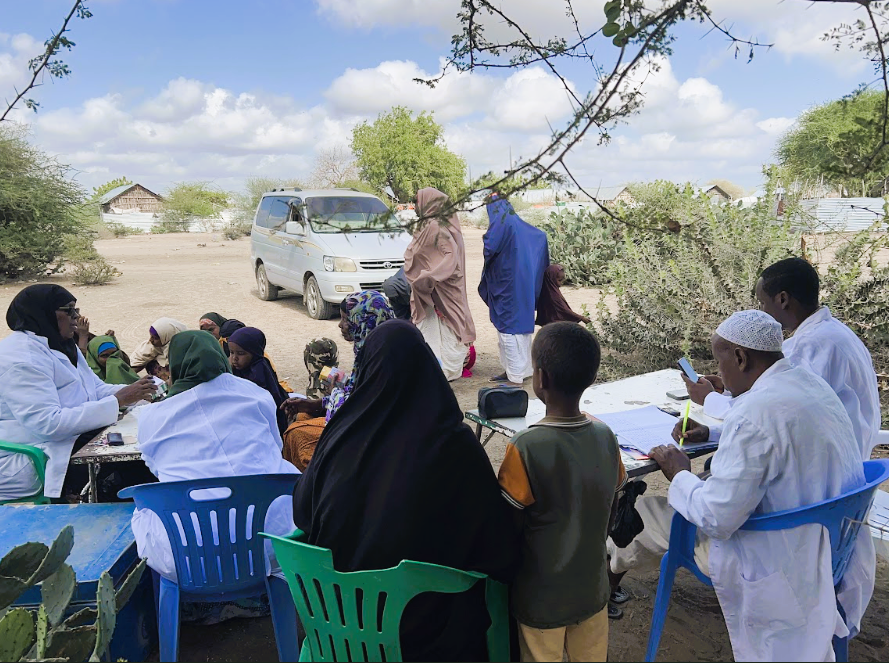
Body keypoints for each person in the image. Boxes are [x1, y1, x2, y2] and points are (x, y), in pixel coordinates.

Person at [609, 310, 875, 662]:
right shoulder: (810, 384)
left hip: (773, 553)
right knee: (702, 481)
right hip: (830, 542)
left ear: (740, 357)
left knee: (638, 513)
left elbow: (717, 517)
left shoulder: (755, 413)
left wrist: (679, 473)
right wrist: (715, 432)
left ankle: (601, 590)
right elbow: (775, 436)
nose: (718, 374)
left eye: (719, 363)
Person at [291, 321, 518, 661]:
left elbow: (303, 513)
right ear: (428, 367)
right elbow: (495, 547)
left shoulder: (340, 434)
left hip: (340, 623)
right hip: (425, 637)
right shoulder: (453, 445)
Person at [498, 322, 625, 662]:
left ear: (540, 378)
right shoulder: (606, 436)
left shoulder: (525, 446)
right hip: (592, 589)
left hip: (541, 595)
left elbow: (509, 527)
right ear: (591, 377)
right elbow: (611, 506)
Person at [132, 330, 299, 579]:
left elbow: (156, 468)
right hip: (272, 541)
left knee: (146, 507)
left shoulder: (151, 417)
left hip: (190, 557)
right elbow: (275, 445)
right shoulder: (256, 395)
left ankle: (176, 598)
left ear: (175, 366)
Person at [684, 257, 881, 460]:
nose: (762, 311)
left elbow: (763, 414)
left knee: (718, 464)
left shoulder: (807, 347)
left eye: (763, 303)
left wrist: (709, 398)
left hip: (830, 460)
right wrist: (728, 389)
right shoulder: (834, 332)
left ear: (783, 299)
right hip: (850, 452)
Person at [0, 285, 156, 501]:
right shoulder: (21, 358)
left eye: (77, 310)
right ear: (43, 313)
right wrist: (118, 400)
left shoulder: (60, 344)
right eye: (69, 310)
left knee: (146, 446)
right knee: (132, 466)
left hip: (69, 439)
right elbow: (47, 424)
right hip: (32, 452)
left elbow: (95, 389)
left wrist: (137, 393)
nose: (76, 317)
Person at [280, 291, 394, 470]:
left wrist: (334, 393)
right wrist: (312, 405)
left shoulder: (383, 360)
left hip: (376, 445)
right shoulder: (368, 351)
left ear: (364, 320)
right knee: (300, 423)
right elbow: (356, 396)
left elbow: (359, 414)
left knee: (298, 437)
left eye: (346, 319)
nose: (340, 325)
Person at [404, 187, 476, 381]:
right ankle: (434, 368)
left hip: (443, 287)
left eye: (418, 202)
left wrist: (432, 275)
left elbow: (450, 256)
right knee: (430, 328)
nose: (415, 206)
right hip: (430, 291)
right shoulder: (427, 225)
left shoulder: (436, 226)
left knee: (449, 326)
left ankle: (444, 370)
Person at [479, 195, 549, 385]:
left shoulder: (502, 224)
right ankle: (520, 370)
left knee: (508, 329)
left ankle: (515, 376)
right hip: (523, 283)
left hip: (508, 285)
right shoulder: (517, 223)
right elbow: (539, 236)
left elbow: (490, 246)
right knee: (521, 327)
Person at [228, 327, 290, 434]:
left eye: (240, 353)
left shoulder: (259, 371)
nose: (234, 358)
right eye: (231, 352)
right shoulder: (238, 368)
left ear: (255, 352)